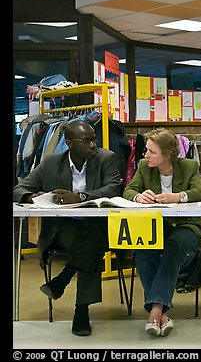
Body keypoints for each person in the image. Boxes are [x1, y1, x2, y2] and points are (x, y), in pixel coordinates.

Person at [13, 120, 122, 336]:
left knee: (93, 234)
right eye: (87, 140)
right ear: (70, 143)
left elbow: (114, 188)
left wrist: (80, 197)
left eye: (94, 139)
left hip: (99, 229)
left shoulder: (106, 158)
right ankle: (80, 310)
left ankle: (65, 284)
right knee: (92, 245)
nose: (93, 145)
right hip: (63, 230)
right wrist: (33, 196)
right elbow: (19, 188)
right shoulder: (52, 162)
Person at [122, 128, 201, 337]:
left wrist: (178, 196)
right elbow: (128, 190)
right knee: (143, 251)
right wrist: (138, 197)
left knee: (174, 246)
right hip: (155, 225)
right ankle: (160, 312)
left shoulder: (189, 166)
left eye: (152, 152)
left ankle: (155, 310)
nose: (146, 155)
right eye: (147, 151)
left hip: (187, 225)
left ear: (168, 154)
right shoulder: (144, 167)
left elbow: (199, 192)